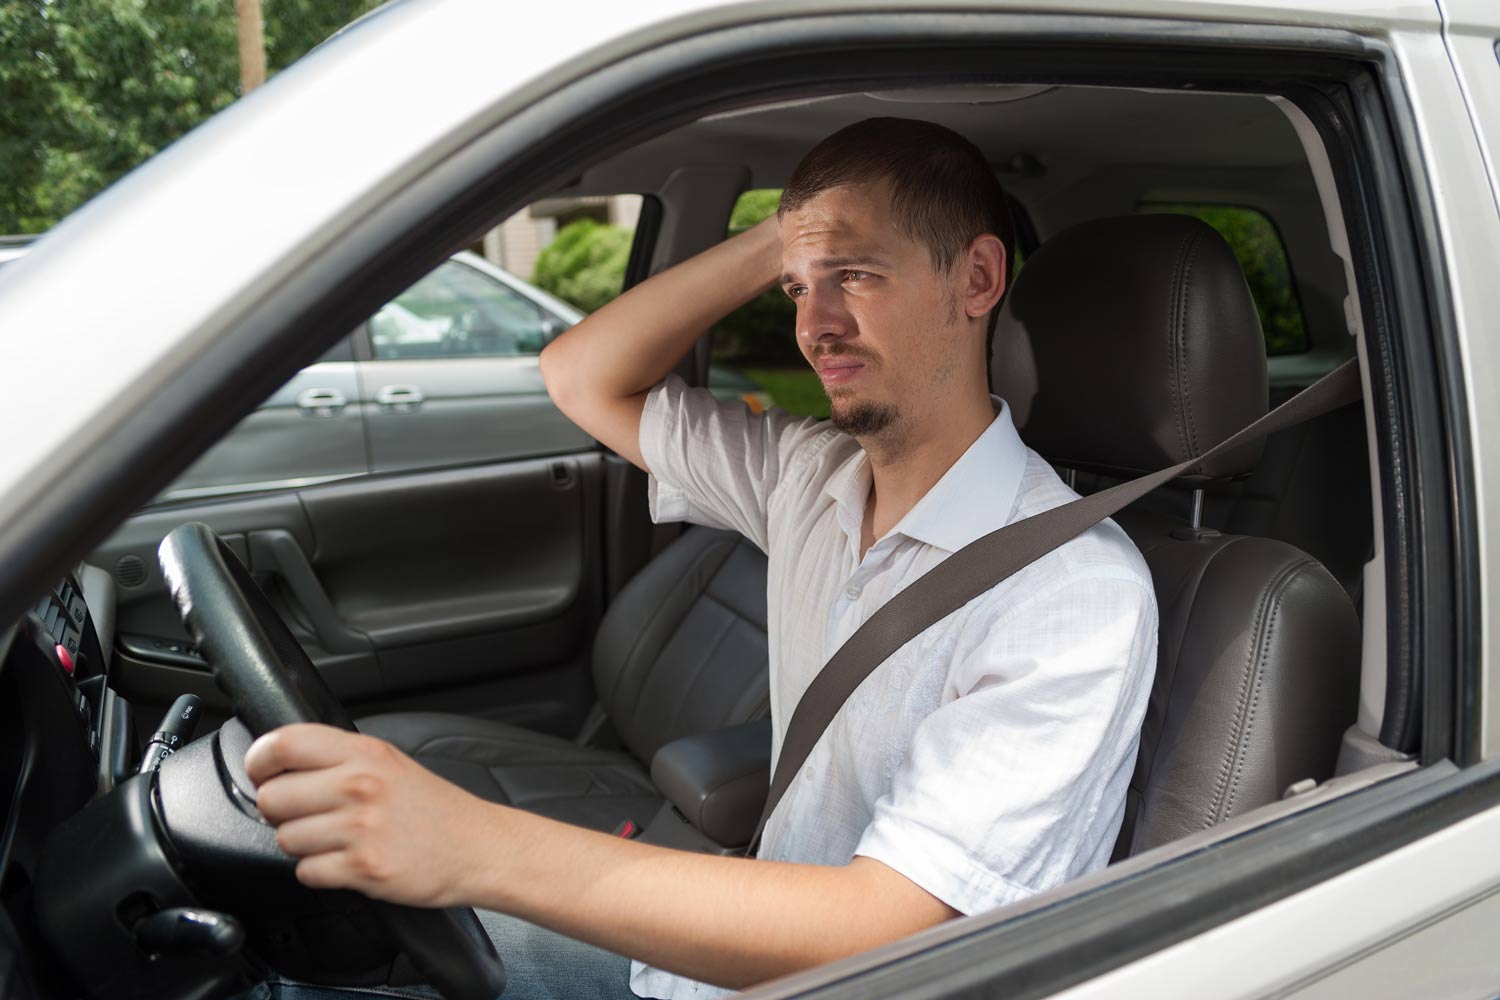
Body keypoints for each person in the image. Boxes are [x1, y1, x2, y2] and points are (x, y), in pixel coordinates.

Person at [242, 117, 1158, 1000]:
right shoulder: (807, 476)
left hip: (837, 978)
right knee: (305, 951)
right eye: (800, 290)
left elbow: (889, 933)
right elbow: (579, 376)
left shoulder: (1072, 592)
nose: (815, 326)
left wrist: (473, 843)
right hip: (731, 956)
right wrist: (785, 239)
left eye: (856, 274)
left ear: (978, 278)